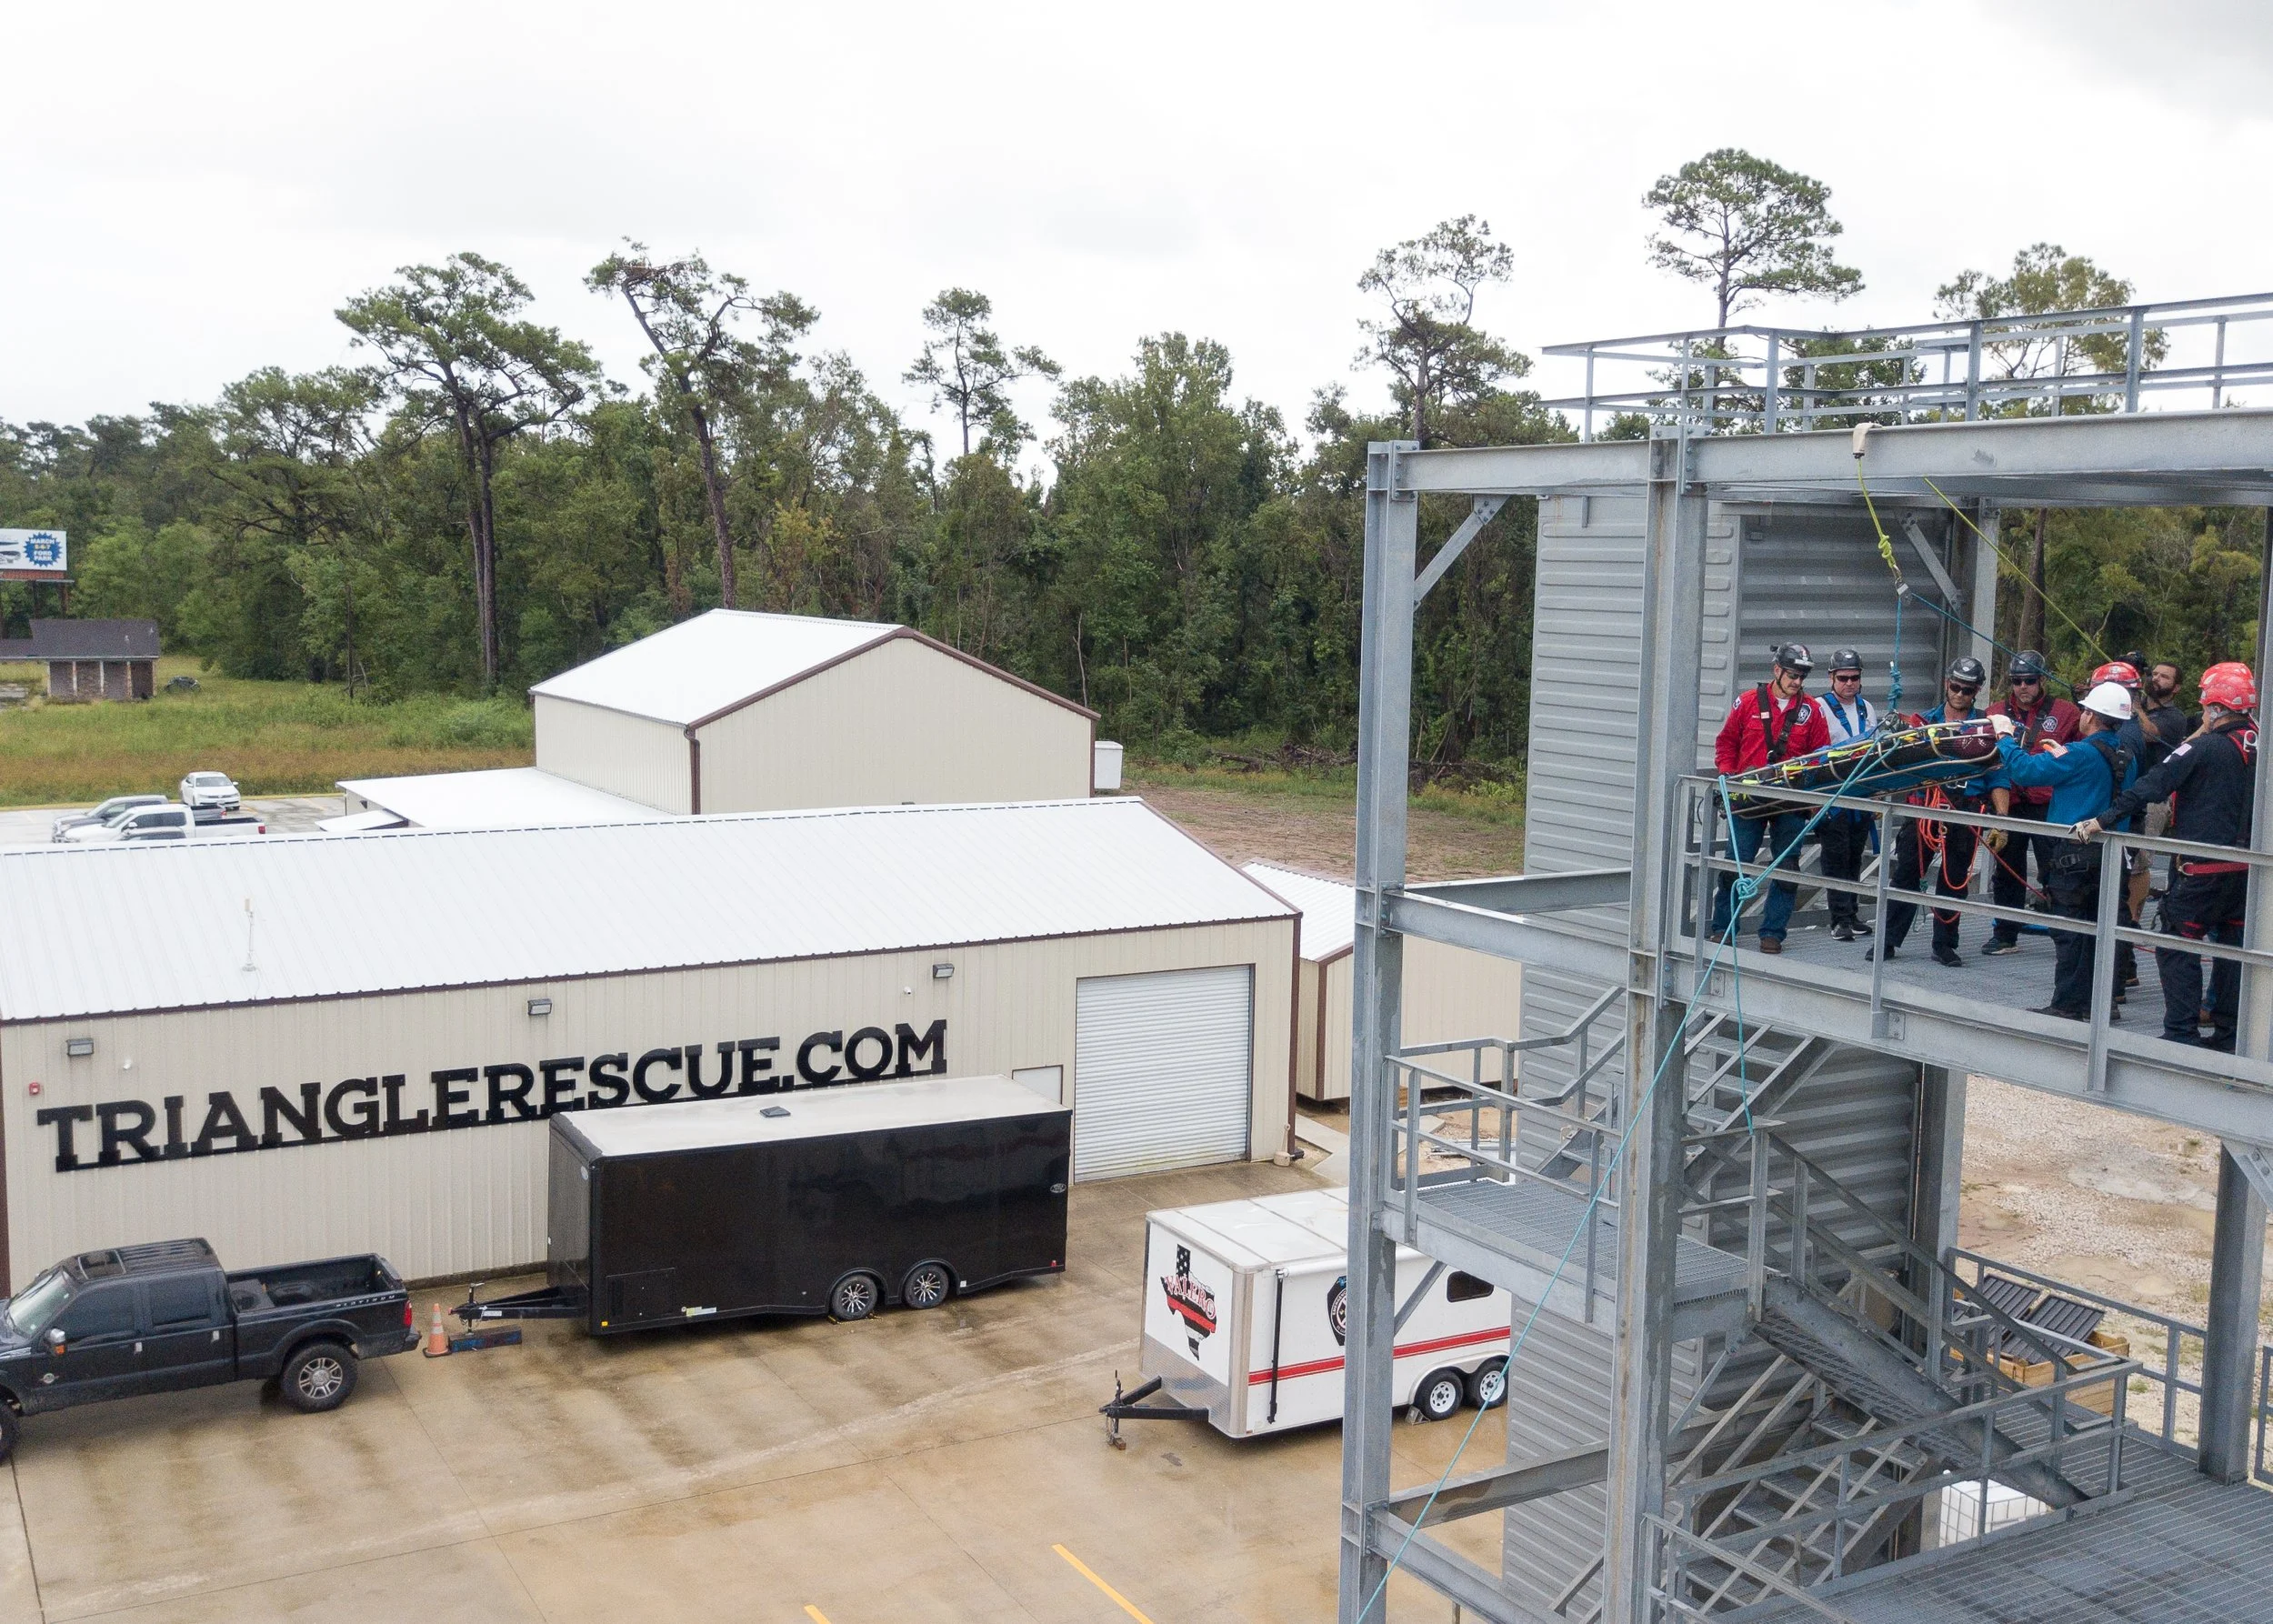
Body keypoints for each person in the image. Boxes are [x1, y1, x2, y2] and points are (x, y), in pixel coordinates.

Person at [2075, 661, 2258, 1050]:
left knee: (2177, 943)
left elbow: (2154, 785)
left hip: (2202, 868)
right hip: (2250, 873)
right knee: (2232, 949)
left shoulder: (2205, 746)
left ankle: (2181, 1033)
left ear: (2212, 705)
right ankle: (2229, 1034)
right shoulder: (2260, 743)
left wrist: (2103, 820)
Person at [1989, 683, 2137, 1020]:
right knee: (2102, 931)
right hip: (2111, 857)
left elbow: (2025, 772)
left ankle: (2067, 1004)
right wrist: (2062, 756)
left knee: (2071, 932)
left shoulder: (2082, 754)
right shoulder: (2125, 754)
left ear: (2090, 716)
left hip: (2074, 859)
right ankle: (2103, 1002)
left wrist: (2005, 738)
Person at [1873, 656, 2011, 967]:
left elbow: (1999, 776)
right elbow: (1899, 767)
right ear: (1947, 684)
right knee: (1906, 876)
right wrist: (1881, 796)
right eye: (1955, 687)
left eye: (1967, 689)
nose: (1960, 694)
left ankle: (1945, 944)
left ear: (1976, 691)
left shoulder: (1985, 729)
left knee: (1954, 882)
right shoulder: (1924, 723)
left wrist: (2000, 823)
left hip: (1963, 813)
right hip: (1924, 810)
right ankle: (1888, 941)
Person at [1710, 642, 1830, 954]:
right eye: (1792, 675)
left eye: (1802, 677)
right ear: (1777, 670)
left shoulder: (1812, 711)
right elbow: (1726, 745)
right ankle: (1724, 928)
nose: (1797, 682)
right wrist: (1726, 777)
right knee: (1736, 865)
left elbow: (1820, 756)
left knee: (1787, 867)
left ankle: (1773, 933)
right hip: (1748, 797)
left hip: (1790, 800)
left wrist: (1814, 795)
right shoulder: (1748, 703)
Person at [1981, 651, 2079, 957]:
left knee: (2056, 870)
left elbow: (2079, 756)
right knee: (2008, 871)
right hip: (2007, 802)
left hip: (2047, 805)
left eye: (2029, 680)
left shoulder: (2066, 713)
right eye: (2016, 681)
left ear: (2043, 680)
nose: (2023, 687)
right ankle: (2006, 934)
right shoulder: (1995, 712)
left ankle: (2065, 934)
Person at [1814, 648, 1878, 941]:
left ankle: (1851, 914)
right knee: (1835, 857)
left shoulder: (1867, 708)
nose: (1849, 683)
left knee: (1854, 856)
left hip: (1861, 793)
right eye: (1843, 678)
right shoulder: (1819, 708)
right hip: (1833, 794)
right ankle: (1838, 918)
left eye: (1854, 677)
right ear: (1831, 678)